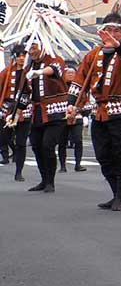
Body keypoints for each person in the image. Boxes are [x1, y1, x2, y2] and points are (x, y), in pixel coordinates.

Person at [66, 13, 121, 211]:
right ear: (101, 32)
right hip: (99, 111)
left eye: (117, 30)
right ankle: (116, 192)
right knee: (103, 155)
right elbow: (80, 81)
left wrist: (116, 45)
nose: (112, 34)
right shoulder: (92, 55)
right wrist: (72, 104)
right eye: (108, 30)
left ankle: (118, 195)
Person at [24, 37, 69, 194]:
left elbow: (55, 70)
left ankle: (50, 182)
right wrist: (15, 113)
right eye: (29, 48)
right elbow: (24, 92)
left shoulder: (55, 59)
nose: (31, 51)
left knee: (48, 145)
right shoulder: (29, 66)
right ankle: (43, 179)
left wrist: (40, 72)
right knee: (36, 146)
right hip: (37, 112)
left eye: (34, 47)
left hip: (55, 112)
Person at [0, 46, 32, 182]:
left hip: (24, 108)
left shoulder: (30, 72)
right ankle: (7, 153)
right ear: (14, 57)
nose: (21, 58)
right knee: (4, 137)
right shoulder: (6, 72)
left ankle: (19, 171)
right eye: (19, 55)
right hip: (7, 108)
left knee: (21, 142)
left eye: (24, 55)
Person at [56, 62, 87, 173]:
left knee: (78, 140)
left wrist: (77, 110)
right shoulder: (59, 86)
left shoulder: (80, 88)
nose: (70, 75)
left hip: (77, 116)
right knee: (62, 141)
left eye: (72, 73)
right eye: (68, 73)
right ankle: (62, 165)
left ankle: (78, 163)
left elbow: (85, 102)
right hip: (62, 117)